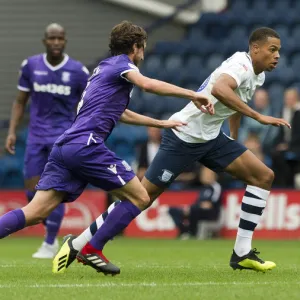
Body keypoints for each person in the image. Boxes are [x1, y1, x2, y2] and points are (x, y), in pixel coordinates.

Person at [52, 27, 291, 275]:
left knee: (263, 176)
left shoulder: (257, 75)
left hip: (211, 138)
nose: (277, 56)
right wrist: (258, 116)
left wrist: (233, 138)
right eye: (272, 50)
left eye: (279, 52)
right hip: (183, 135)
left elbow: (233, 105)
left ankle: (242, 252)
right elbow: (221, 89)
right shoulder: (240, 64)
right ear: (255, 48)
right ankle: (81, 243)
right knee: (141, 197)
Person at [0, 21, 213, 275]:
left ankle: (87, 247)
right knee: (141, 197)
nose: (143, 54)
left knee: (35, 211)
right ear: (135, 46)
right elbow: (148, 85)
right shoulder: (124, 65)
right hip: (86, 146)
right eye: (142, 48)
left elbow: (120, 113)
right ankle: (92, 249)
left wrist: (160, 122)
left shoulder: (103, 69)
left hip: (65, 145)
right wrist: (193, 94)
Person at [4, 23, 89, 259]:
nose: (56, 42)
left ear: (65, 41)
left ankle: (50, 242)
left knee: (54, 190)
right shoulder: (30, 65)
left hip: (62, 139)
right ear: (45, 41)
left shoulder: (78, 71)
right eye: (52, 38)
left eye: (60, 38)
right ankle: (49, 228)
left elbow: (86, 106)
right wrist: (12, 131)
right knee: (32, 194)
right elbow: (20, 101)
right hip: (35, 137)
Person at [168, 166, 221, 239]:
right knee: (173, 210)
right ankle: (183, 231)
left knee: (193, 211)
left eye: (206, 174)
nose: (203, 176)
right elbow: (200, 203)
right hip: (198, 210)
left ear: (213, 175)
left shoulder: (215, 187)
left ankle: (189, 232)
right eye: (203, 174)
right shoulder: (204, 187)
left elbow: (208, 205)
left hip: (210, 214)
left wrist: (191, 208)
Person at [271, 88, 300, 187]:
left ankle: (289, 185)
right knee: (275, 154)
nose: (289, 101)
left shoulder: (298, 112)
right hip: (287, 145)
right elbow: (281, 133)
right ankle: (280, 186)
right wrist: (278, 144)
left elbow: (298, 134)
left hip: (296, 145)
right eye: (287, 99)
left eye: (291, 98)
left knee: (285, 158)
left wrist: (287, 145)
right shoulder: (284, 112)